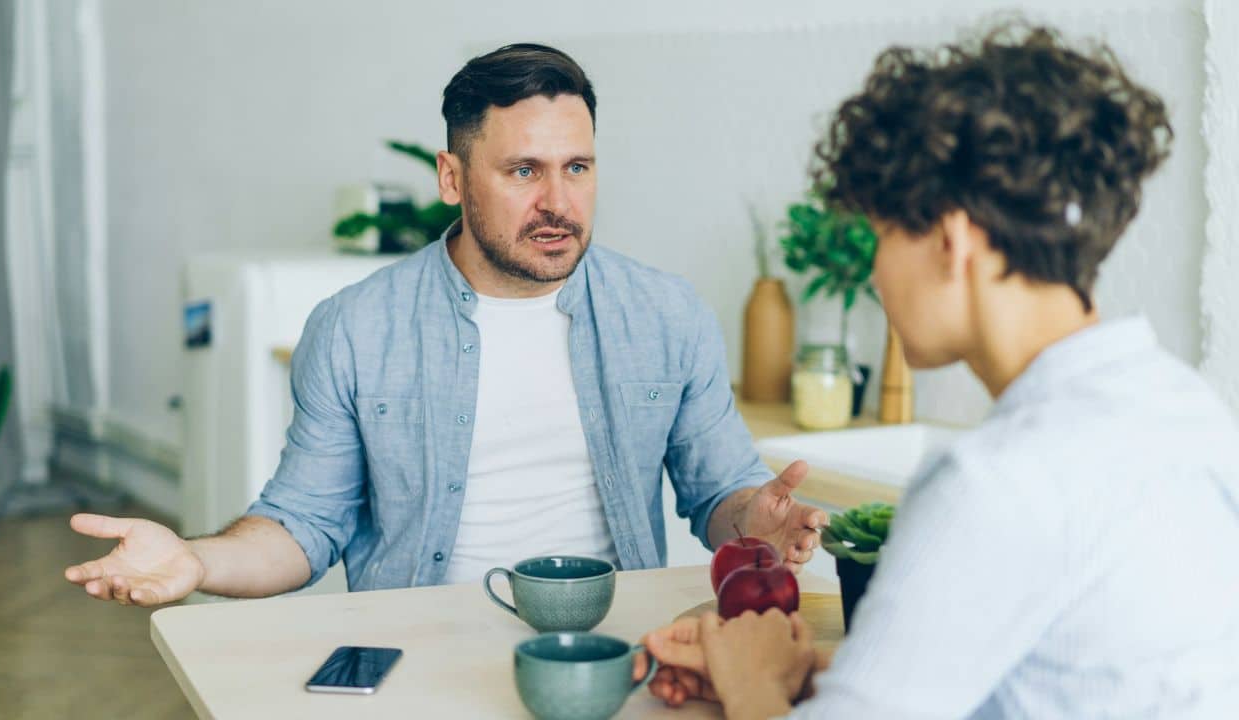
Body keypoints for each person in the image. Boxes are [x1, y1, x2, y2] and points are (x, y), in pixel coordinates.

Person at [63, 43, 828, 606]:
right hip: (415, 648)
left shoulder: (666, 315)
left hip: (612, 646)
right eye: (524, 171)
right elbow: (302, 526)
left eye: (578, 168)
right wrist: (196, 560)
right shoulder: (356, 329)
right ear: (452, 177)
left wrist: (753, 517)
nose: (559, 202)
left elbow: (717, 494)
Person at [637, 23, 1239, 719]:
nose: (873, 272)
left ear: (950, 242)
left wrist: (754, 683)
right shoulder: (1188, 409)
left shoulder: (995, 483)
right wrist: (804, 675)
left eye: (883, 235)